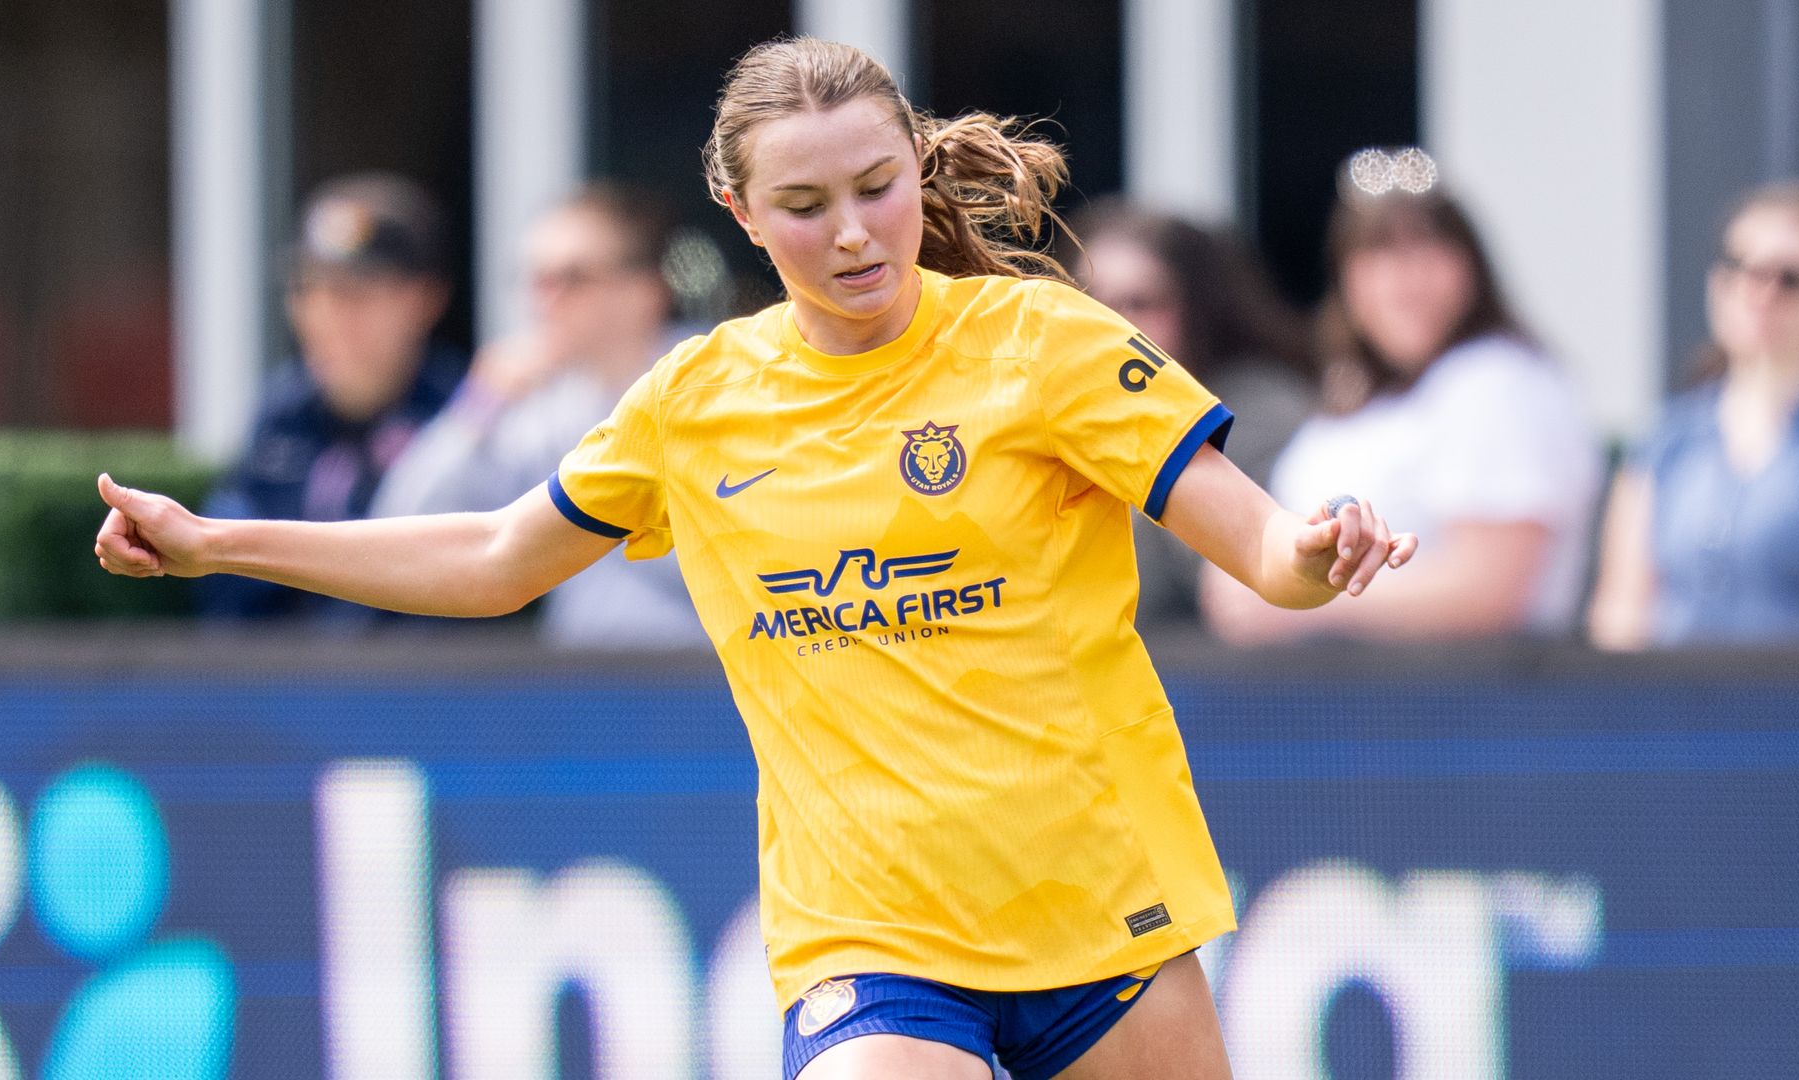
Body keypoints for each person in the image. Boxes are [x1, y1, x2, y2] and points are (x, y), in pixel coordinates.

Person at [95, 38, 1416, 1080]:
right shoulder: (697, 401)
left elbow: (1260, 550)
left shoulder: (1042, 343)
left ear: (913, 163)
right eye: (803, 204)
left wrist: (1317, 549)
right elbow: (499, 557)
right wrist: (218, 540)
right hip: (870, 934)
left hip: (1101, 905)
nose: (851, 232)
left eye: (874, 187)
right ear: (737, 210)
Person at [1204, 178, 1599, 644]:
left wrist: (1301, 605)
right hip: (1342, 698)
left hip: (1470, 698)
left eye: (1428, 249)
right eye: (1378, 254)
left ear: (1472, 266)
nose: (1406, 280)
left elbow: (1493, 589)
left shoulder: (1496, 379)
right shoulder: (1357, 392)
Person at [370, 186, 708, 648]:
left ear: (644, 290)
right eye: (536, 280)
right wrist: (478, 407)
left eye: (571, 278)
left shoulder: (712, 383)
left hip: (715, 683)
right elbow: (403, 524)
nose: (546, 300)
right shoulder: (549, 409)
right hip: (579, 692)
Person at [1590, 181, 1799, 649]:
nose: (1759, 292)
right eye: (1739, 268)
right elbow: (1621, 613)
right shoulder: (1670, 435)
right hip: (1674, 711)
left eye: (1791, 279)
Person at [199, 172, 467, 624]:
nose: (327, 316)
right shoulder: (281, 412)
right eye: (308, 290)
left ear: (426, 298)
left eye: (354, 293)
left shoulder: (463, 416)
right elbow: (230, 592)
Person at [1067, 199, 1314, 630]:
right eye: (1092, 302)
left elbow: (1193, 583)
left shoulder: (1263, 410)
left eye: (1139, 303)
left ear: (1199, 308)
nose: (1111, 323)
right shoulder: (1045, 408)